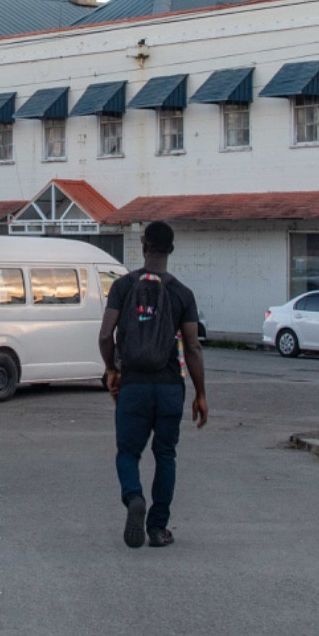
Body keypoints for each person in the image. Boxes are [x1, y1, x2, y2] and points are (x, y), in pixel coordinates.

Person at [99, 220, 208, 550]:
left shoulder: (123, 287)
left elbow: (105, 335)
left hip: (134, 386)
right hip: (170, 387)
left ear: (143, 245)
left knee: (128, 453)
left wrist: (111, 369)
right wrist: (201, 394)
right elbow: (192, 347)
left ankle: (134, 496)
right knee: (166, 455)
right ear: (171, 249)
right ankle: (158, 529)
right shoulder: (182, 293)